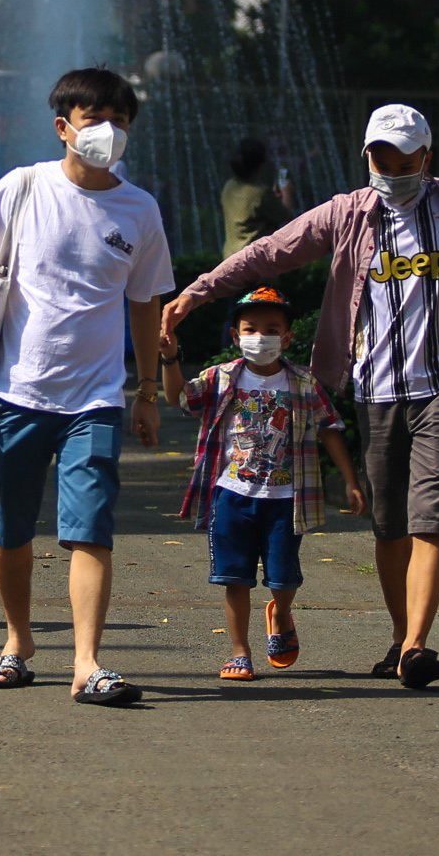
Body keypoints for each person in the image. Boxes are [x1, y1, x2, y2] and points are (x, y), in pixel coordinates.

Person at [160, 103, 439, 690]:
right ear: (367, 156)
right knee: (389, 525)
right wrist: (198, 293)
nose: (395, 168)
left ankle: (415, 646)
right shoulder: (347, 214)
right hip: (377, 391)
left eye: (407, 159)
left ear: (427, 157)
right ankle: (398, 636)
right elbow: (270, 252)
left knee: (432, 520)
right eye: (384, 157)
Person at [0, 67, 174, 707]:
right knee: (12, 528)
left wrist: (146, 390)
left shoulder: (140, 209)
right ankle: (18, 642)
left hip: (96, 401)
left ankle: (87, 663)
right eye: (95, 121)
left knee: (90, 530)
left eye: (120, 123)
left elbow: (145, 305)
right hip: (17, 393)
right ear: (63, 127)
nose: (108, 134)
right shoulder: (22, 188)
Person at [161, 285, 364, 681]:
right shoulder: (220, 378)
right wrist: (169, 357)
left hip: (286, 499)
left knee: (283, 576)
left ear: (287, 337)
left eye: (271, 329)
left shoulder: (303, 383)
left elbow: (331, 429)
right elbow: (179, 398)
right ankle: (239, 651)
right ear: (236, 336)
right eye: (250, 329)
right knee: (233, 577)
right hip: (231, 494)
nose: (260, 337)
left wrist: (352, 481)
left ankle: (281, 611)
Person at [219, 137, 291, 259]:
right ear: (261, 164)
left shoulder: (229, 187)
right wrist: (287, 192)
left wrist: (271, 198)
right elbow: (285, 216)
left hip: (230, 258)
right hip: (254, 260)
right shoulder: (261, 193)